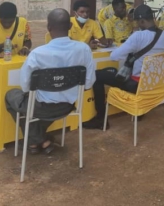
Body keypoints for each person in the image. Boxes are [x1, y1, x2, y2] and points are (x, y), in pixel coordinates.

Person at [5, 9, 96, 154]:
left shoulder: (37, 53)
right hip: (67, 106)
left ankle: (37, 140)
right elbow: (89, 83)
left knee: (11, 95)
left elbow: (25, 87)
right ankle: (39, 140)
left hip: (41, 107)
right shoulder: (84, 49)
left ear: (48, 28)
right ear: (70, 26)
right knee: (35, 106)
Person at [83, 5, 164, 129]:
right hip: (156, 85)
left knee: (97, 75)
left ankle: (100, 119)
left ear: (142, 21)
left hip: (136, 86)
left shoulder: (138, 36)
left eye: (137, 22)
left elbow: (114, 56)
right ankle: (139, 113)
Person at [45, 0, 112, 48]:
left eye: (87, 12)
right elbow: (68, 45)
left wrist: (108, 42)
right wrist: (88, 45)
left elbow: (102, 39)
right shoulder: (68, 23)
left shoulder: (93, 23)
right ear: (75, 12)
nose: (85, 14)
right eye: (82, 12)